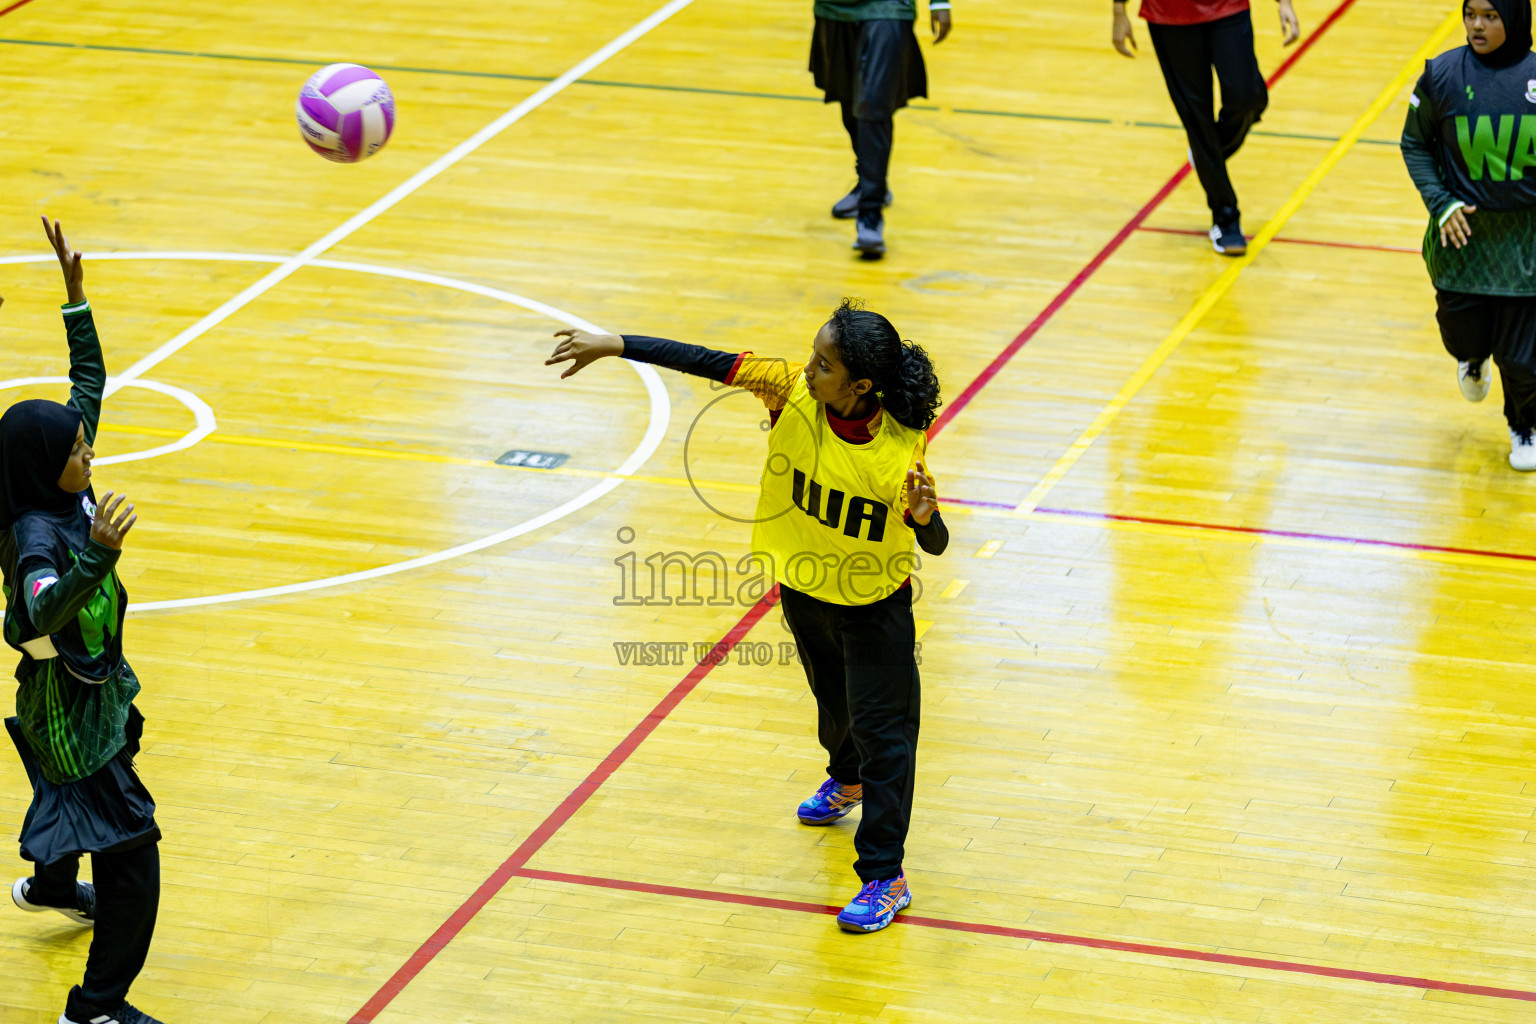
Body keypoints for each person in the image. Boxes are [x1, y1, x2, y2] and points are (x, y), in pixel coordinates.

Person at [546, 300, 948, 933]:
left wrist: (925, 519)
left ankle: (883, 876)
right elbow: (705, 360)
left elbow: (936, 541)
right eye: (814, 357)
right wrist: (618, 343)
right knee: (835, 707)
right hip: (804, 587)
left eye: (824, 364)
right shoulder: (788, 389)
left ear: (860, 386)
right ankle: (846, 782)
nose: (808, 369)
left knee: (886, 741)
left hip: (874, 610)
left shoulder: (895, 452)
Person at [4, 217, 165, 1024]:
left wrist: (75, 299)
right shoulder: (38, 534)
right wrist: (97, 556)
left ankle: (54, 884)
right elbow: (36, 609)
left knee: (122, 739)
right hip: (67, 708)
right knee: (135, 858)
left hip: (97, 688)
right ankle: (95, 1011)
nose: (91, 453)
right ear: (47, 464)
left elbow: (88, 386)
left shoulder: (59, 484)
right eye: (79, 450)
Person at [1401, 0, 1536, 470]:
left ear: (1515, 18)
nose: (1477, 25)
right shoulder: (1441, 75)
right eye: (1471, 13)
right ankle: (1472, 356)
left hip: (1525, 245)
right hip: (1462, 243)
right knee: (1464, 338)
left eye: (1491, 16)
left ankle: (1524, 425)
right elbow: (1414, 143)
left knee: (1523, 362)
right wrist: (1442, 203)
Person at [1113, 0, 1300, 254]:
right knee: (1196, 117)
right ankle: (1226, 219)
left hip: (1228, 7)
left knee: (1247, 98)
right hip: (1170, 16)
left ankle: (1206, 155)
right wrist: (1119, 11)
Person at [812, 0, 952, 259]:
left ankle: (870, 215)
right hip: (834, 8)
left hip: (888, 7)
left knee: (873, 103)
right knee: (848, 97)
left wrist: (940, 2)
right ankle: (868, 180)